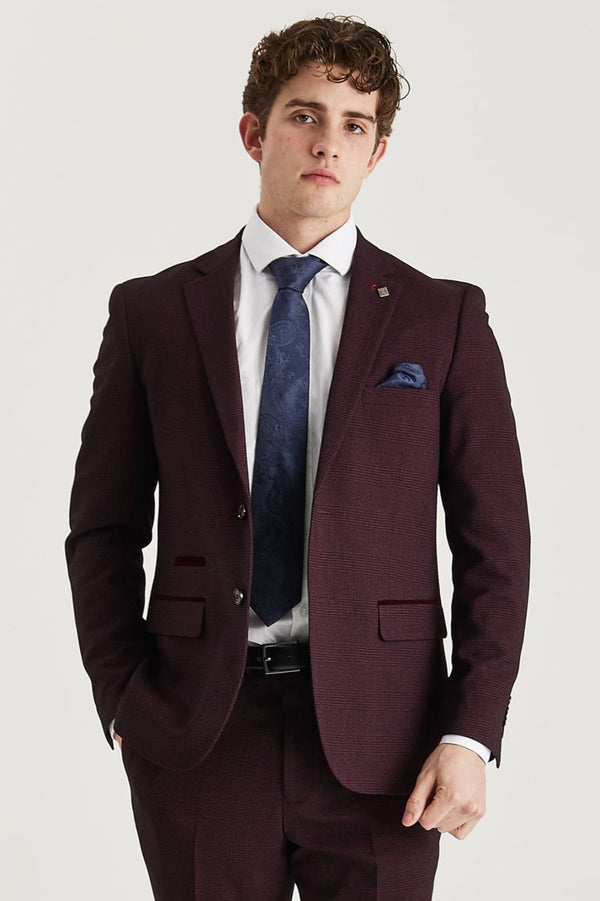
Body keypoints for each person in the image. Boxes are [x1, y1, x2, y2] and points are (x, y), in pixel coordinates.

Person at [66, 15, 529, 901]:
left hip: (389, 741)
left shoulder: (443, 317)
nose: (328, 143)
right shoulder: (154, 313)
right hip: (200, 732)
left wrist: (470, 732)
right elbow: (102, 528)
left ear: (377, 152)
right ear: (254, 132)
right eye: (304, 115)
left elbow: (496, 542)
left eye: (355, 124)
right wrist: (124, 699)